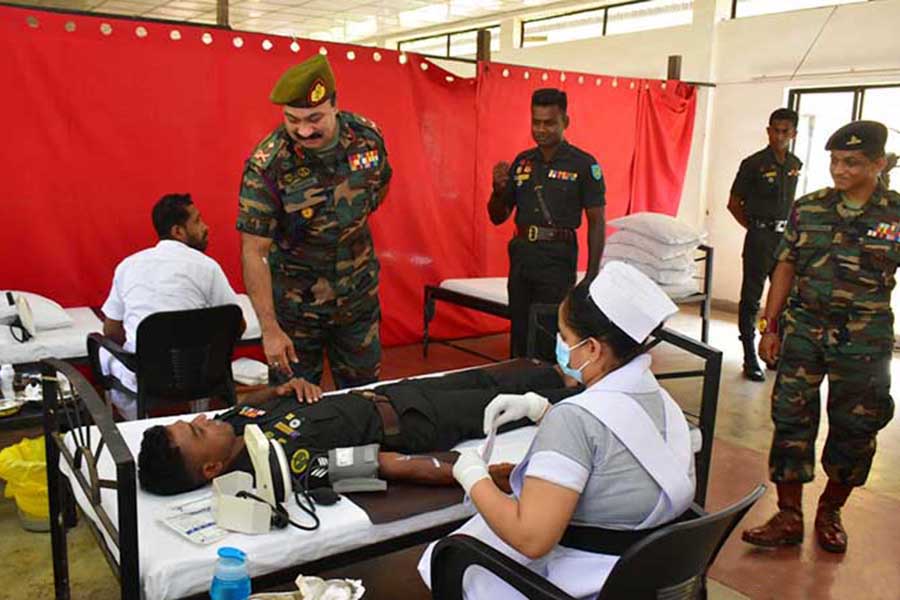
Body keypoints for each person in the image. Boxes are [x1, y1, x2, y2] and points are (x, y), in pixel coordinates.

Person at [418, 262, 695, 598]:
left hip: (589, 580)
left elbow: (530, 538)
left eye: (565, 337)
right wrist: (542, 410)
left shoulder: (575, 420)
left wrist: (473, 476)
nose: (560, 346)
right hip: (647, 574)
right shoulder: (662, 401)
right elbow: (621, 443)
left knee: (448, 555)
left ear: (592, 348)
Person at [742, 121, 897, 554]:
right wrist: (769, 326)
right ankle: (788, 514)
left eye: (852, 162)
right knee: (791, 419)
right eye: (834, 161)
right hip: (805, 330)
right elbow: (785, 266)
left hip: (865, 341)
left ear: (878, 164)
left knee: (856, 426)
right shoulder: (808, 208)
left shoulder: (895, 213)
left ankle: (831, 510)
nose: (840, 170)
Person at [138, 360, 580, 495]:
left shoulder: (232, 424)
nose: (202, 419)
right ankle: (589, 399)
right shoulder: (287, 467)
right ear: (213, 469)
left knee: (489, 378)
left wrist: (277, 391)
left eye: (190, 420)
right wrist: (479, 477)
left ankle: (565, 378)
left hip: (395, 392)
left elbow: (248, 404)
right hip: (417, 422)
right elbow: (386, 464)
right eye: (195, 432)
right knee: (508, 407)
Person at [238, 54, 392, 391]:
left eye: (314, 118)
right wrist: (269, 329)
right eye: (293, 120)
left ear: (335, 105)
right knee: (293, 409)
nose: (304, 130)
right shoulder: (269, 164)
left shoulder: (367, 138)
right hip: (296, 314)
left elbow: (378, 190)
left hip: (357, 302)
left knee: (364, 401)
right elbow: (254, 251)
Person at [100, 194, 245, 420]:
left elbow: (110, 331)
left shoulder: (128, 266)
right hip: (202, 375)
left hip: (146, 377)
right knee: (203, 348)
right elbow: (238, 325)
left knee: (102, 351)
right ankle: (201, 418)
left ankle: (135, 424)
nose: (206, 227)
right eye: (197, 221)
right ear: (178, 231)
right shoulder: (208, 267)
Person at [488, 88, 606, 361]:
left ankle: (547, 393)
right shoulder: (522, 162)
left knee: (549, 333)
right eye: (536, 122)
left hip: (557, 259)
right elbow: (498, 216)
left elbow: (596, 222)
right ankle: (519, 386)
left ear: (565, 122)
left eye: (549, 122)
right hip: (521, 257)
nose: (541, 129)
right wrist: (497, 190)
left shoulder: (583, 165)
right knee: (519, 331)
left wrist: (591, 275)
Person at [727, 108, 802, 381]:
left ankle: (773, 351)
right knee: (751, 299)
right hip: (760, 237)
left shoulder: (795, 164)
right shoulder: (753, 163)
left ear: (794, 134)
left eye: (785, 131)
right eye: (775, 130)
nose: (779, 136)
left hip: (786, 238)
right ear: (768, 130)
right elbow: (734, 204)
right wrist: (755, 228)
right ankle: (749, 356)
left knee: (782, 299)